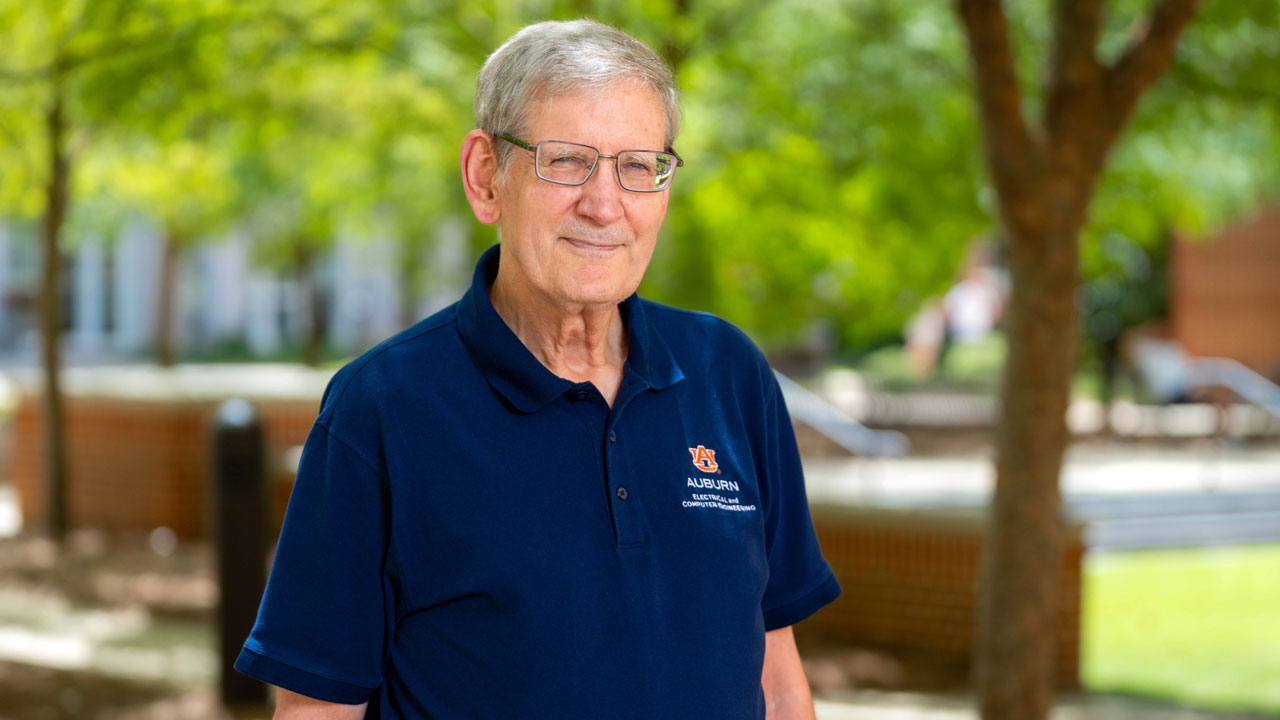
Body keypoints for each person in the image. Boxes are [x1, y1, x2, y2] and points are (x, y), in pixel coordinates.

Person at [235, 19, 840, 719]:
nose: (605, 204)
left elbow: (779, 679)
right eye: (566, 160)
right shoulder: (382, 409)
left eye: (638, 165)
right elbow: (316, 709)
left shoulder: (729, 374)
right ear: (486, 176)